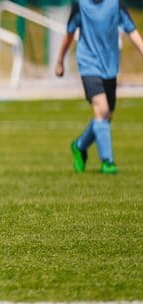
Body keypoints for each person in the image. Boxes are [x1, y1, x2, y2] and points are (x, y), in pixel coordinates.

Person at [56, 0, 143, 175]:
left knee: (106, 116)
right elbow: (69, 33)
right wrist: (60, 61)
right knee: (101, 110)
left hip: (109, 66)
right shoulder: (80, 5)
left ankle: (79, 146)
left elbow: (131, 31)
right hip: (88, 64)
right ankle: (108, 162)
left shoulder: (115, 4)